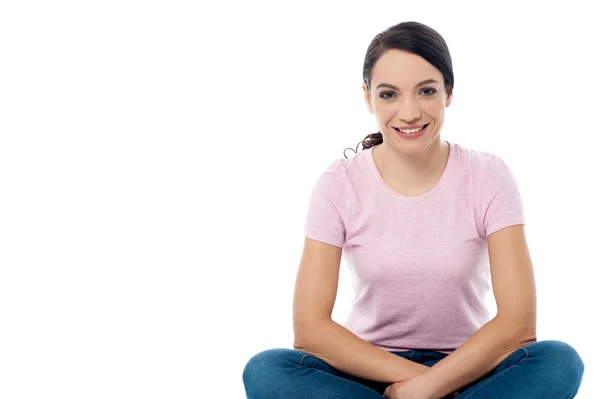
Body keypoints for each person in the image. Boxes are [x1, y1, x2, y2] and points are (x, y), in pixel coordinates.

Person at [242, 21, 585, 399]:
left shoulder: (488, 176)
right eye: (389, 94)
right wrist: (421, 385)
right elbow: (309, 329)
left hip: (469, 365)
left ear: (448, 93)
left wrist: (436, 382)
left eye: (426, 91)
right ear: (368, 96)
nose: (408, 112)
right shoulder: (338, 184)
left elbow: (518, 324)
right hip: (369, 369)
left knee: (559, 362)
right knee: (266, 371)